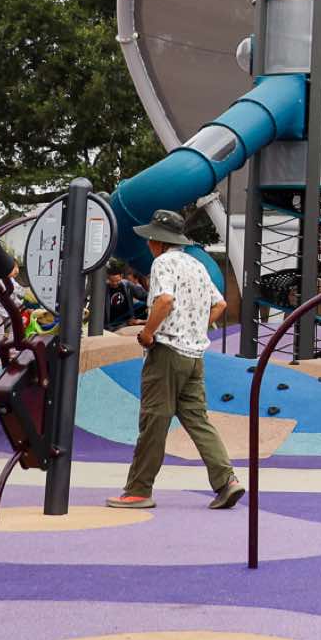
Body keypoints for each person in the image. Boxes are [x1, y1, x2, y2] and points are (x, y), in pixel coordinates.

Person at [107, 209, 243, 511]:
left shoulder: (162, 263)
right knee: (197, 419)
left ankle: (138, 490)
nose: (148, 244)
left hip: (166, 352)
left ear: (158, 241)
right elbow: (220, 304)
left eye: (150, 239)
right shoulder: (196, 265)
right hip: (194, 355)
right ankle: (227, 480)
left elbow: (165, 300)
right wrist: (195, 328)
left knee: (154, 420)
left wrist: (148, 332)